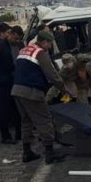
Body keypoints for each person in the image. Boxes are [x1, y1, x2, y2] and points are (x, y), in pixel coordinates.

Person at [12, 30, 68, 164]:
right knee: (44, 120)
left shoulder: (24, 50)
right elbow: (52, 74)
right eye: (49, 44)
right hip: (32, 92)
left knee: (26, 122)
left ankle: (27, 152)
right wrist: (64, 89)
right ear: (44, 42)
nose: (50, 47)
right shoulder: (41, 53)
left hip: (17, 90)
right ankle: (50, 153)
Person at [0, 23, 19, 144]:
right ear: (1, 33)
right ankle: (5, 136)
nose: (9, 35)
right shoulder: (0, 46)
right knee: (3, 107)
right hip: (3, 81)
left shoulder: (3, 44)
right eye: (8, 32)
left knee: (8, 107)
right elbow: (6, 64)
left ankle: (11, 133)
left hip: (4, 80)